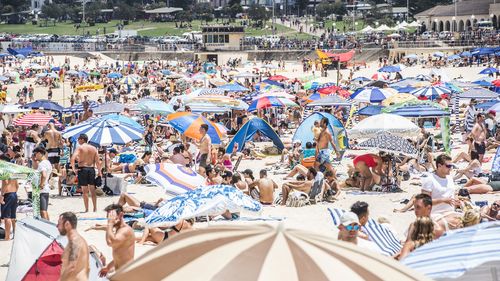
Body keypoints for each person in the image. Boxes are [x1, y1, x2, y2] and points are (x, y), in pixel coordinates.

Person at [421, 154, 462, 231]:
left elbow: (453, 193)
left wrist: (457, 200)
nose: (451, 168)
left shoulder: (450, 178)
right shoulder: (430, 180)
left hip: (450, 212)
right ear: (439, 166)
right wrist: (443, 200)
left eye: (452, 166)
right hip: (435, 215)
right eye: (448, 166)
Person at [99, 204, 135, 277]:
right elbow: (120, 255)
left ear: (121, 214)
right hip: (121, 273)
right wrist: (108, 267)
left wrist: (110, 224)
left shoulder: (125, 230)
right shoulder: (119, 230)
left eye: (112, 216)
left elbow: (110, 243)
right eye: (108, 217)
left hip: (126, 274)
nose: (110, 219)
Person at [71, 134, 102, 212]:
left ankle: (87, 209)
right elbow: (97, 162)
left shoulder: (80, 148)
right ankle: (95, 208)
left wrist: (74, 168)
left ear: (82, 139)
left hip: (83, 169)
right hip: (91, 169)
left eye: (78, 139)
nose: (78, 141)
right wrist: (99, 172)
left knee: (84, 191)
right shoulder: (94, 148)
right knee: (92, 189)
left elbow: (72, 158)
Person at [57, 212, 90, 281]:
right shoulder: (76, 241)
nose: (57, 226)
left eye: (59, 224)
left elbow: (72, 266)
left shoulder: (75, 242)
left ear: (67, 224)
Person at [33, 146, 52, 220]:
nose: (35, 156)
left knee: (42, 211)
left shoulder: (42, 164)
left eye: (35, 154)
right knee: (45, 210)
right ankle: (49, 226)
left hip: (42, 189)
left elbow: (43, 175)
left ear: (40, 153)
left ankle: (46, 227)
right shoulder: (47, 162)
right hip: (46, 188)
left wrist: (41, 184)